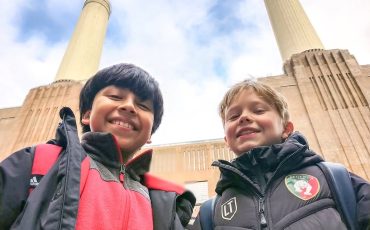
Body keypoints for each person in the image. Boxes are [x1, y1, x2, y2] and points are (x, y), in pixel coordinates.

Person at [0, 63, 195, 230]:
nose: (129, 107)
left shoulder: (164, 202)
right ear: (86, 115)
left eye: (143, 106)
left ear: (150, 134)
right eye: (116, 97)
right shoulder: (38, 162)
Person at [192, 79, 370, 229]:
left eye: (258, 110)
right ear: (227, 141)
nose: (244, 117)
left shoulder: (335, 179)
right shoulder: (211, 212)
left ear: (286, 129)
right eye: (233, 116)